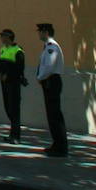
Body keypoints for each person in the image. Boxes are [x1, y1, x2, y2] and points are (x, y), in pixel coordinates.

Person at [36, 22, 67, 156]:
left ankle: (60, 147)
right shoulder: (48, 47)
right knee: (52, 114)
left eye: (40, 31)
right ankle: (56, 144)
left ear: (46, 32)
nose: (38, 34)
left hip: (51, 81)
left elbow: (49, 66)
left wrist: (40, 77)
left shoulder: (51, 47)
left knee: (54, 115)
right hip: (49, 81)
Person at [0, 28, 27, 144]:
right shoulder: (2, 49)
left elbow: (19, 68)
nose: (1, 38)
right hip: (4, 83)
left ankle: (16, 136)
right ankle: (12, 134)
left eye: (3, 36)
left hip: (13, 83)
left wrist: (7, 76)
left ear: (8, 37)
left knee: (14, 109)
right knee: (8, 108)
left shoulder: (18, 51)